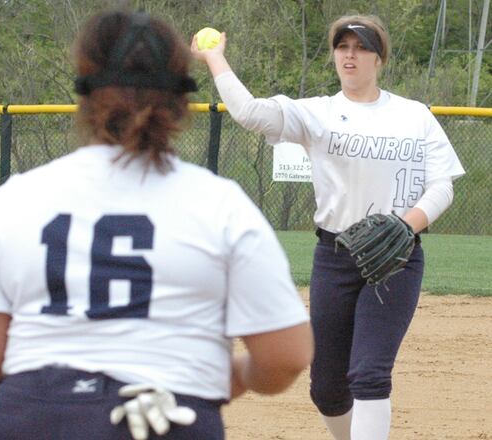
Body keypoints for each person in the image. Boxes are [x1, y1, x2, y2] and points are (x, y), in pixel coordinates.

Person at [0, 9, 313, 440]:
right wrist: (213, 380)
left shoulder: (10, 201)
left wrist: (24, 421)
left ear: (84, 91)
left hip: (34, 413)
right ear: (183, 99)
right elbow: (284, 357)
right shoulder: (221, 206)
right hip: (168, 418)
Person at [191, 13, 465, 440]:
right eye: (343, 47)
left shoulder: (414, 116)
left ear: (380, 58)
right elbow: (247, 113)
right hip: (335, 256)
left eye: (362, 47)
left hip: (396, 256)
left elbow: (441, 185)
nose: (350, 55)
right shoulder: (317, 113)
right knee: (327, 387)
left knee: (370, 373)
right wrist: (214, 59)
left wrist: (406, 225)